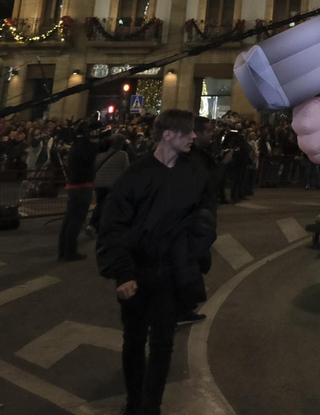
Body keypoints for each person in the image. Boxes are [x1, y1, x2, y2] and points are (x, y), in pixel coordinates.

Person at [97, 109, 217, 415]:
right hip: (137, 273)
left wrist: (194, 250)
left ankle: (151, 408)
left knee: (163, 344)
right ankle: (134, 403)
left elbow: (207, 213)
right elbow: (113, 227)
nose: (194, 136)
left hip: (173, 275)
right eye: (188, 131)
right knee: (134, 342)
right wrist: (122, 274)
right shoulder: (135, 176)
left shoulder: (196, 171)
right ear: (168, 135)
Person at [56, 122, 107, 262]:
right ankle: (70, 252)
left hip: (74, 185)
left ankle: (63, 250)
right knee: (76, 221)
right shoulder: (85, 146)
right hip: (82, 186)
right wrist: (102, 137)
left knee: (69, 220)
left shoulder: (76, 145)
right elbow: (99, 148)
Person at [90, 137, 130, 236]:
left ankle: (93, 224)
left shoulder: (100, 155)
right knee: (107, 206)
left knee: (101, 204)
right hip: (112, 184)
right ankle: (97, 226)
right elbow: (126, 170)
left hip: (98, 183)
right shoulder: (122, 155)